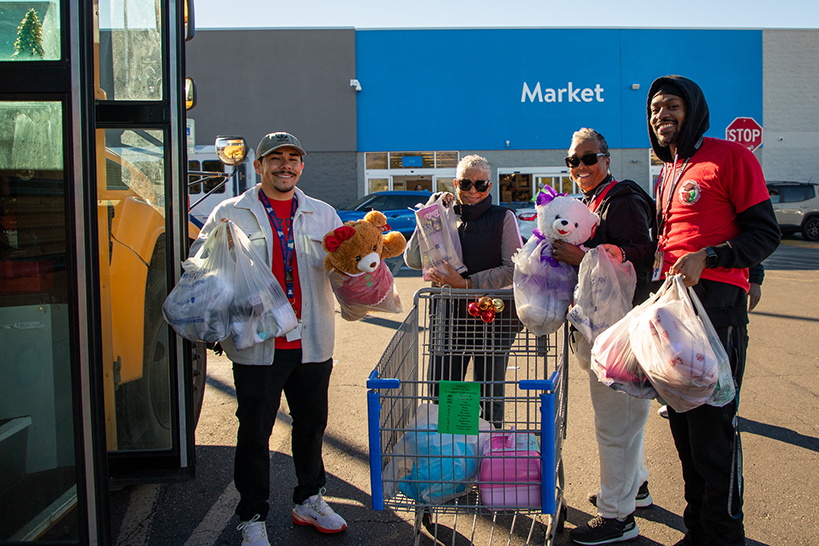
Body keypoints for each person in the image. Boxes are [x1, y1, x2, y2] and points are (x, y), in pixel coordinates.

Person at [190, 132, 347, 546]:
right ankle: (252, 514)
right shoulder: (230, 212)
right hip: (257, 345)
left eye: (293, 158)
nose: (285, 166)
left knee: (312, 425)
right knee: (255, 433)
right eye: (275, 158)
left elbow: (343, 270)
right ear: (258, 166)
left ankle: (309, 499)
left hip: (312, 342)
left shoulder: (322, 214)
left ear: (301, 166)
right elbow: (204, 274)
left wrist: (369, 283)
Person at [646, 75, 780, 546]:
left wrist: (715, 257)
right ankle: (698, 529)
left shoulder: (731, 157)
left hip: (716, 308)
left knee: (714, 431)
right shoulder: (669, 171)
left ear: (695, 109)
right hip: (671, 311)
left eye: (671, 106)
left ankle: (724, 536)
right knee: (682, 426)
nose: (662, 115)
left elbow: (764, 234)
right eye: (655, 110)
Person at [549, 129, 657, 545]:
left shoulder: (623, 198)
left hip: (619, 330)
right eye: (573, 161)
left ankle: (618, 516)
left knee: (615, 425)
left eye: (588, 159)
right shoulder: (595, 202)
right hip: (605, 327)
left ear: (607, 160)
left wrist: (584, 256)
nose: (580, 168)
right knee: (626, 420)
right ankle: (636, 487)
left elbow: (641, 253)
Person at [403, 154, 522, 428]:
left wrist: (466, 284)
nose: (472, 191)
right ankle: (451, 453)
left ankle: (490, 452)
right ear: (456, 183)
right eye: (466, 183)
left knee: (489, 394)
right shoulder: (444, 214)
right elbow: (412, 260)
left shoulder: (503, 218)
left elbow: (513, 268)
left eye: (480, 185)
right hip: (448, 319)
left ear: (489, 187)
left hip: (492, 319)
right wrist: (429, 213)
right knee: (446, 392)